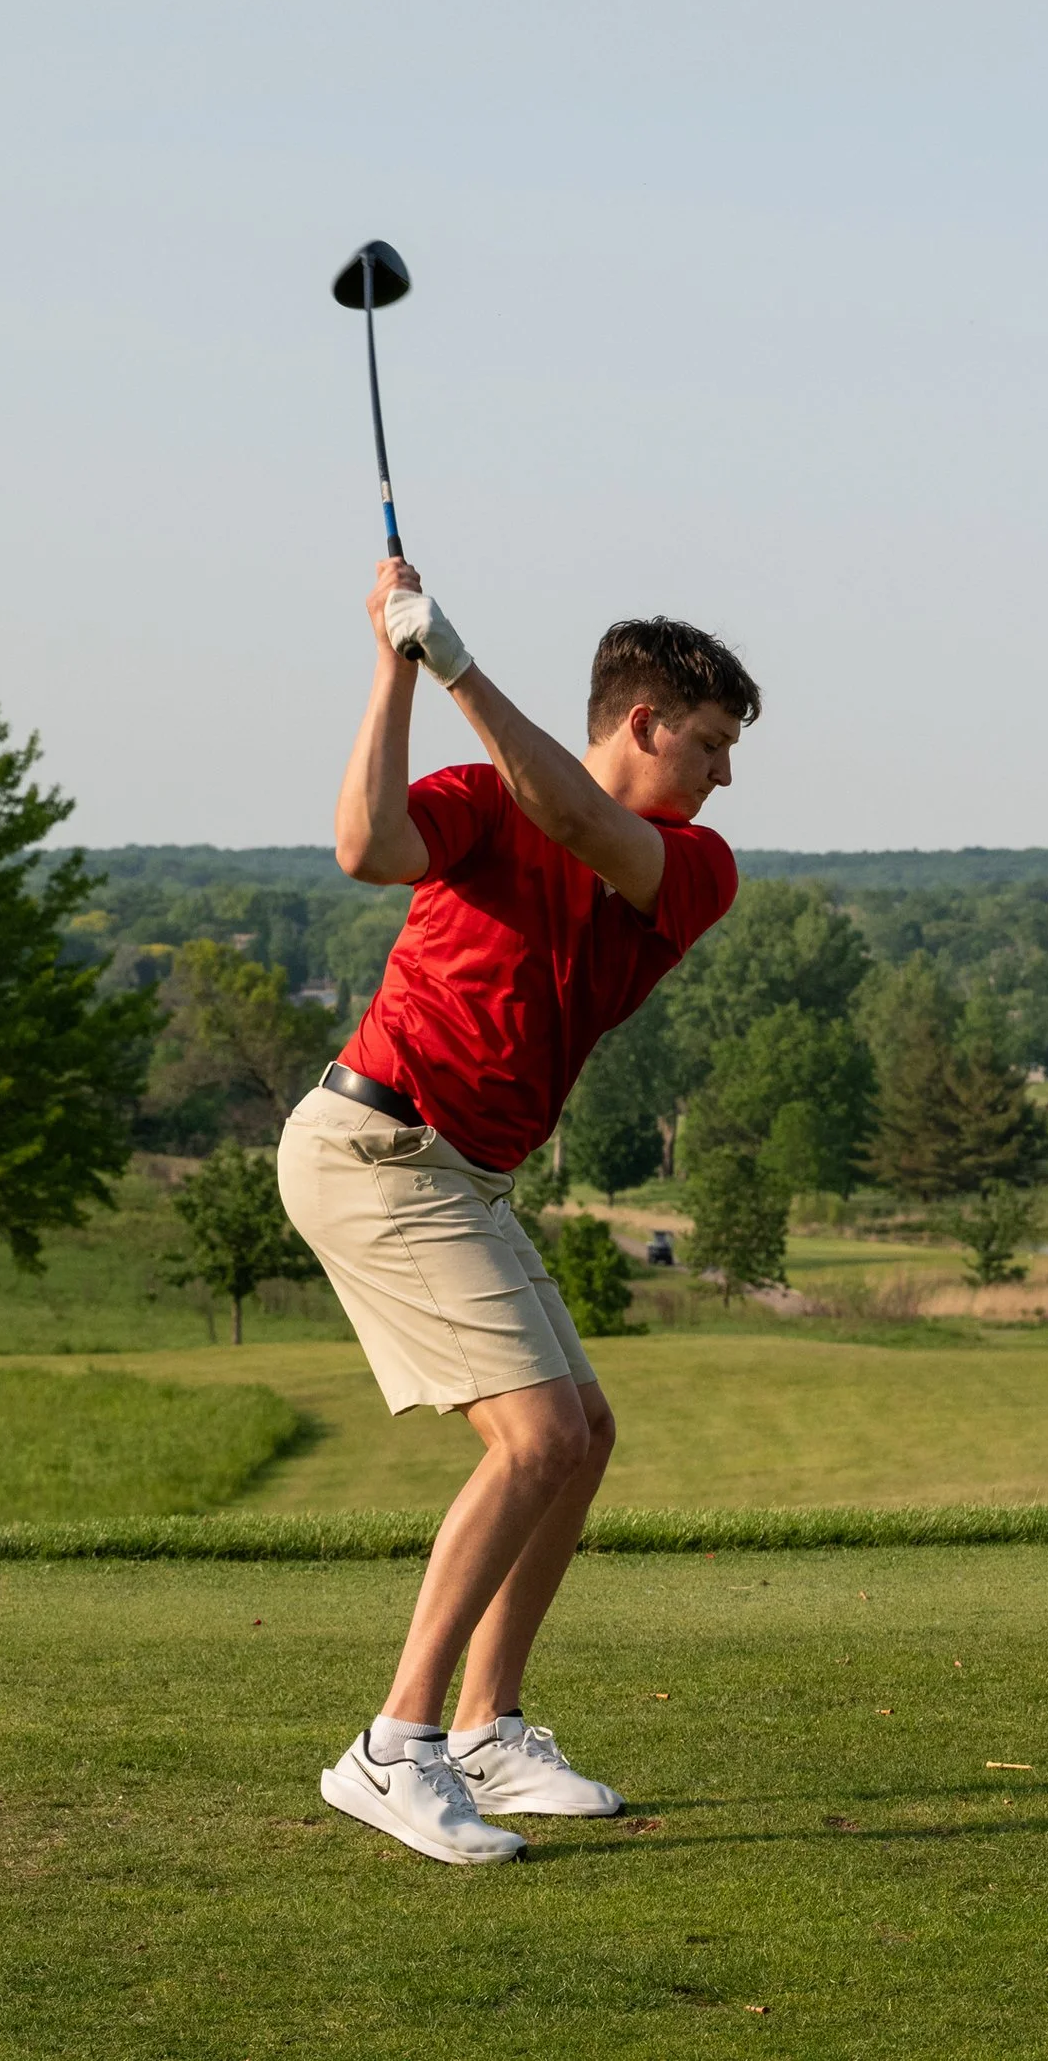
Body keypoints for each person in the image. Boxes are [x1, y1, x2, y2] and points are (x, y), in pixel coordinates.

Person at [278, 558, 758, 1866]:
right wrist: (396, 664)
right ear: (644, 720)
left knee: (583, 1431)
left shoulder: (691, 864)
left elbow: (588, 826)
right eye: (710, 742)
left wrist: (459, 667)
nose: (725, 773)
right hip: (375, 1145)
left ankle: (490, 1726)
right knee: (536, 1437)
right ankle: (395, 1747)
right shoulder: (484, 801)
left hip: (459, 1173)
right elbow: (365, 846)